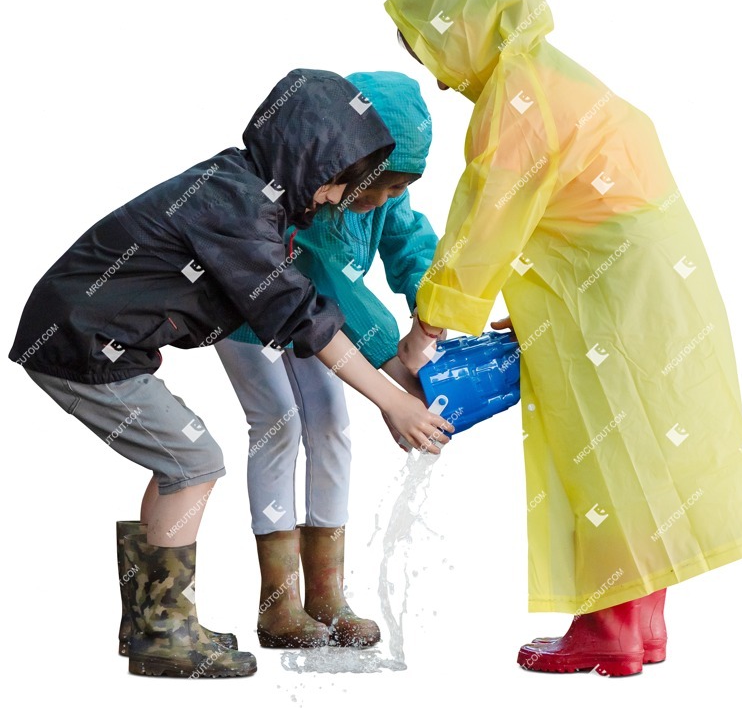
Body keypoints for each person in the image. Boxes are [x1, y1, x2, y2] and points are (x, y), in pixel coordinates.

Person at [385, 0, 742, 676]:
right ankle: (641, 625)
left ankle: (609, 630)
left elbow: (484, 227)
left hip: (620, 294)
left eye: (432, 48)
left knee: (605, 449)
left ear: (466, 21)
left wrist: (426, 331)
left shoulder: (517, 99)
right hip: (642, 287)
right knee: (641, 444)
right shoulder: (550, 77)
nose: (435, 76)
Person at [9, 68, 452, 679]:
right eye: (332, 185)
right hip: (82, 343)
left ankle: (153, 618)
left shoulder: (246, 187)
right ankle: (166, 632)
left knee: (179, 462)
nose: (327, 200)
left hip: (95, 340)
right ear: (307, 161)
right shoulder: (238, 210)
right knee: (194, 460)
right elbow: (307, 319)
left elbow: (322, 303)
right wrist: (392, 397)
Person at [215, 70, 440, 650]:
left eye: (397, 189)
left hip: (318, 328)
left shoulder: (384, 192)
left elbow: (409, 241)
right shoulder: (315, 189)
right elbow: (326, 283)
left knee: (333, 426)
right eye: (378, 187)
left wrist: (431, 304)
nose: (382, 201)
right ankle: (278, 604)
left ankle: (327, 595)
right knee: (278, 424)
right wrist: (393, 365)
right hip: (249, 316)